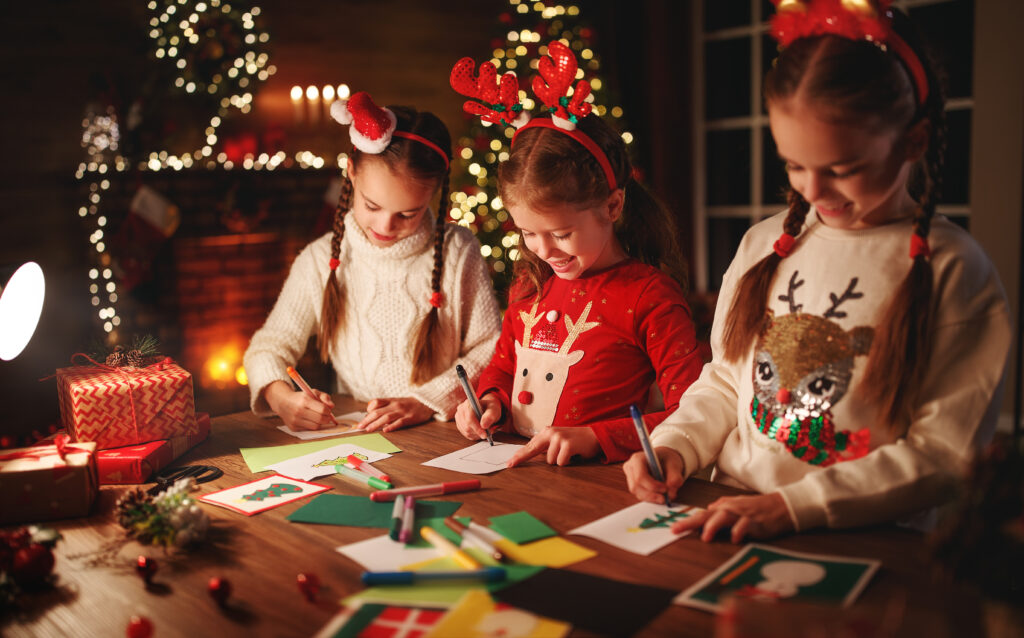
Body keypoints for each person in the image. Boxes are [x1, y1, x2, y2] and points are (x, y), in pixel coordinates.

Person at [624, 0, 1012, 542]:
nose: (811, 191)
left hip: (866, 539)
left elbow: (944, 454)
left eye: (843, 170)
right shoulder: (764, 242)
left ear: (913, 142)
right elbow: (723, 383)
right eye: (794, 165)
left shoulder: (954, 269)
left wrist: (792, 507)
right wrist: (675, 446)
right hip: (728, 511)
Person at [451, 41, 705, 466]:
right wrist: (490, 400)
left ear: (613, 206)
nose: (543, 250)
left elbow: (695, 411)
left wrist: (597, 437)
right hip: (516, 473)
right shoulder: (530, 283)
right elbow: (503, 367)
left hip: (603, 485)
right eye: (528, 233)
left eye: (562, 233)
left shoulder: (648, 296)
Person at [244, 92, 501, 432]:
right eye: (372, 206)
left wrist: (426, 400)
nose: (385, 227)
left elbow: (492, 347)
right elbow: (267, 348)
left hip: (444, 433)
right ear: (350, 173)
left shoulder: (457, 252)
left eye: (408, 214)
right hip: (361, 432)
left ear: (433, 193)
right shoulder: (321, 260)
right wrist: (282, 399)